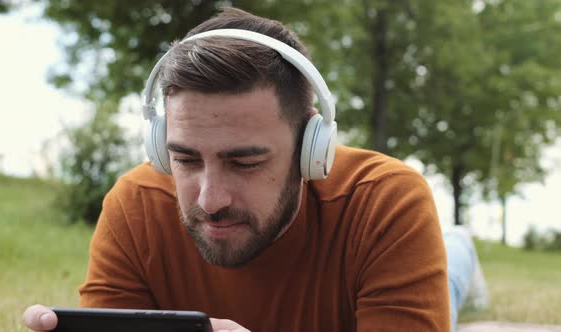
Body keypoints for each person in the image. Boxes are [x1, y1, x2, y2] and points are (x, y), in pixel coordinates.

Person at [23, 7, 452, 331]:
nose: (210, 200)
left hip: (408, 263)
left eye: (245, 162)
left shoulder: (385, 201)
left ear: (312, 151)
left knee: (455, 273)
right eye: (186, 160)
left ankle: (458, 249)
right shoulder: (136, 207)